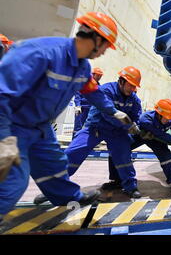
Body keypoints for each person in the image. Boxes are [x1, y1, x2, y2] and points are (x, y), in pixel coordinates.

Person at [0, 12, 133, 218]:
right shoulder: (41, 53)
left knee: (54, 166)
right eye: (106, 46)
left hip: (41, 128)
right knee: (13, 182)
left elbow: (93, 93)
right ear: (96, 39)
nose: (105, 52)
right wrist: (3, 138)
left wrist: (114, 111)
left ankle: (70, 198)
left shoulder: (82, 68)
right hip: (14, 126)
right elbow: (2, 93)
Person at [62, 67, 143, 199]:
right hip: (96, 127)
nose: (133, 89)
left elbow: (137, 115)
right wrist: (128, 126)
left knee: (124, 156)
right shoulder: (106, 90)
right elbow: (107, 115)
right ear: (121, 81)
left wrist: (136, 126)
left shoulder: (134, 99)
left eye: (135, 86)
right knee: (74, 151)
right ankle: (57, 184)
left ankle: (130, 186)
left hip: (116, 132)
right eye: (131, 85)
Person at [103, 99, 171, 194]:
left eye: (170, 118)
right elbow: (162, 135)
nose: (168, 120)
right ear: (158, 114)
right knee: (117, 150)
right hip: (139, 137)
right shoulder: (145, 120)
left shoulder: (169, 119)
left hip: (155, 139)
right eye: (166, 118)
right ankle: (116, 180)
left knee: (166, 157)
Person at [73, 67, 104, 137]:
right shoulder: (84, 83)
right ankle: (74, 142)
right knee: (78, 127)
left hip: (92, 110)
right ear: (93, 74)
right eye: (98, 75)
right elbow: (78, 94)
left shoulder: (99, 87)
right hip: (82, 109)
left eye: (100, 76)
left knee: (91, 127)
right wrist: (77, 105)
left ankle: (87, 143)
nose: (99, 77)